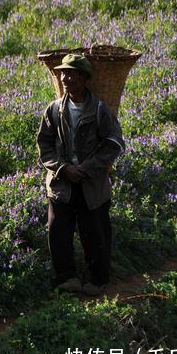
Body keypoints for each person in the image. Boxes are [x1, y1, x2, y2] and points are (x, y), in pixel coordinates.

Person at [36, 54, 125, 296]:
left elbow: (114, 143)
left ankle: (98, 280)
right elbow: (44, 145)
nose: (65, 78)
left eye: (71, 73)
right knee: (58, 232)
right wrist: (63, 168)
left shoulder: (99, 110)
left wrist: (86, 169)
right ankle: (67, 278)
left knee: (95, 233)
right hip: (62, 184)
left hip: (91, 184)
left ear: (84, 78)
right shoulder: (54, 110)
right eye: (63, 73)